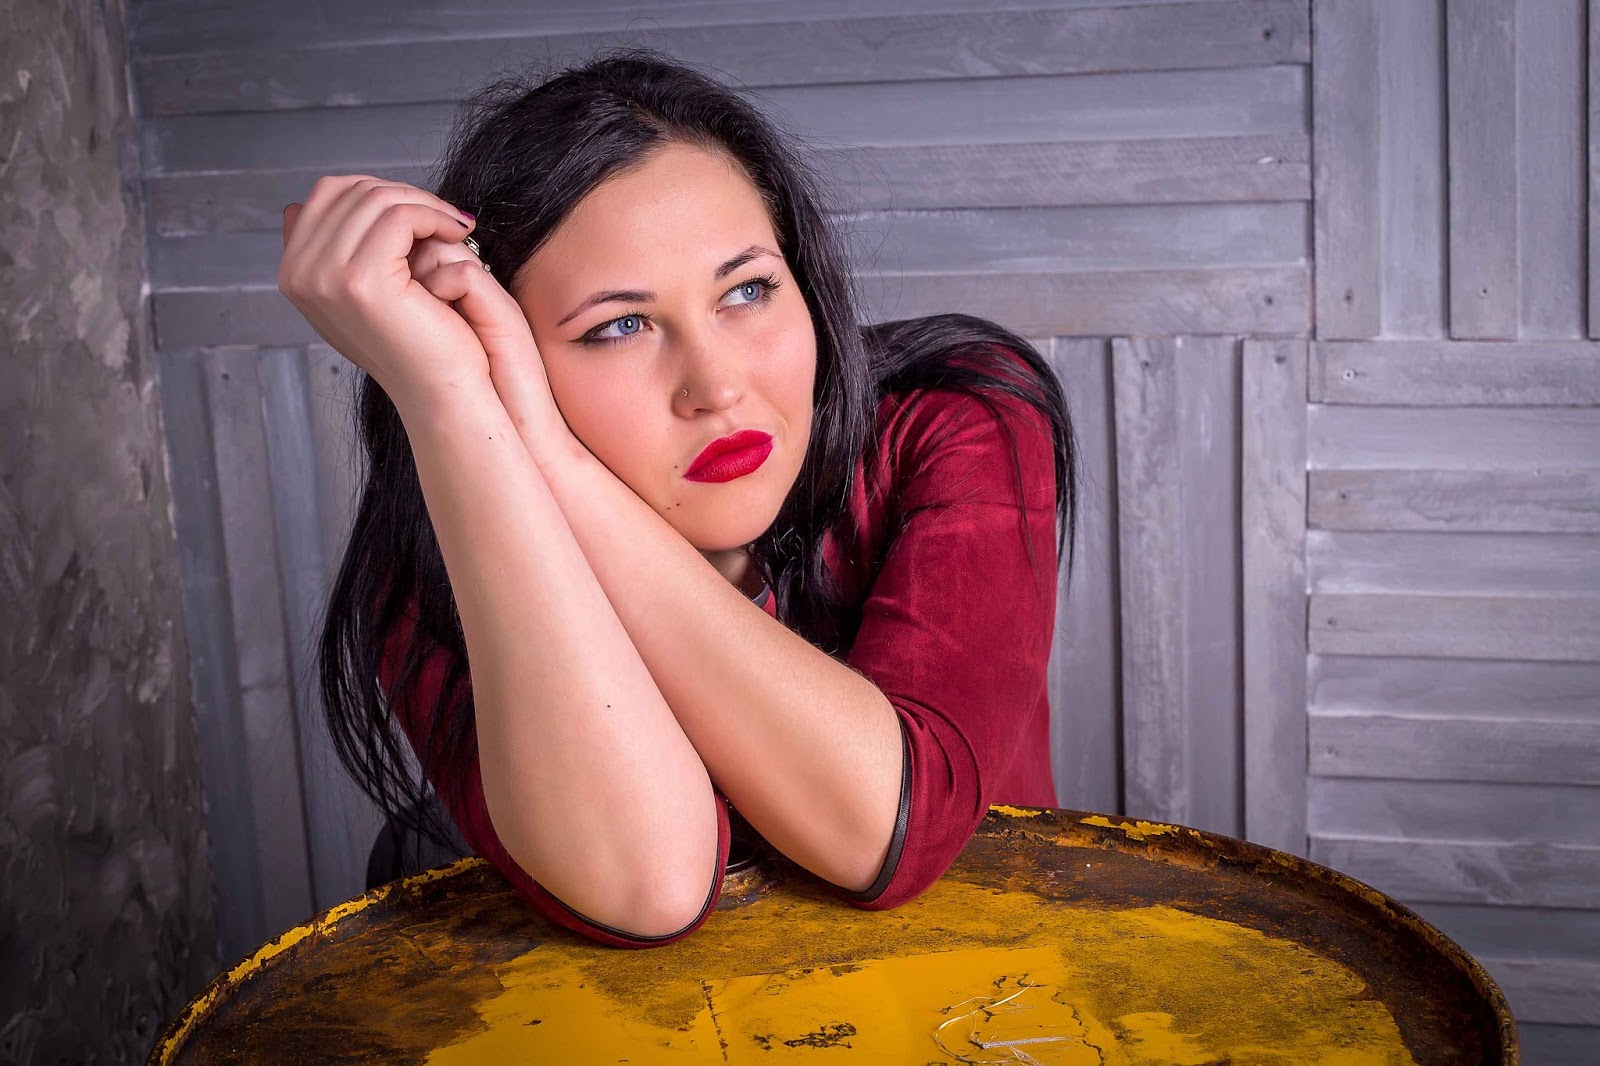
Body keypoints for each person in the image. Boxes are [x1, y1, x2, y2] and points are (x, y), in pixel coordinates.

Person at [283, 47, 1078, 948]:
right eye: (620, 325)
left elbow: (887, 830)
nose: (716, 385)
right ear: (502, 348)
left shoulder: (950, 417)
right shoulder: (443, 551)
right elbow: (650, 885)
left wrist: (557, 459)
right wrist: (454, 401)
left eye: (748, 290)